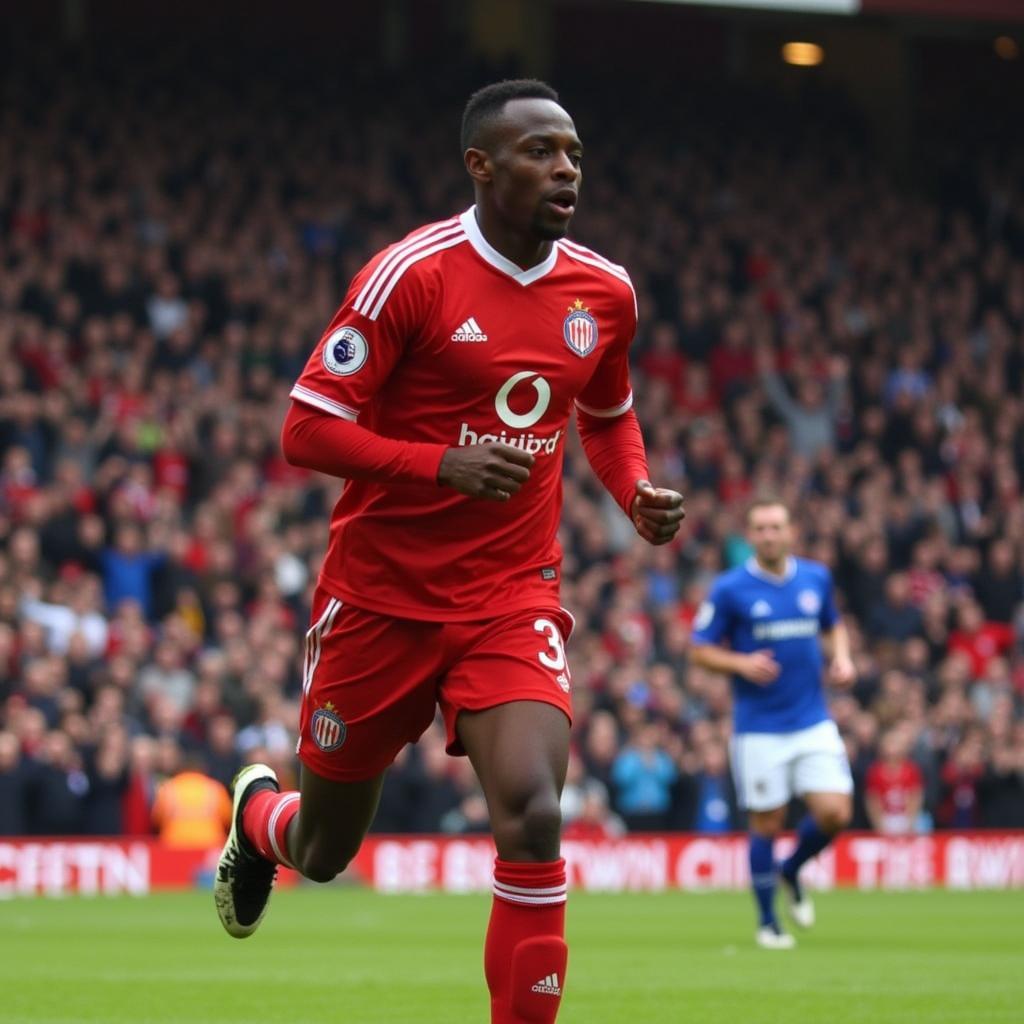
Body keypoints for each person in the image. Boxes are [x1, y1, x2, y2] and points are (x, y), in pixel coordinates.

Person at [212, 79, 684, 1024]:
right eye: (542, 152)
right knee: (325, 851)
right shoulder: (411, 275)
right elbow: (306, 428)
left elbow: (607, 413)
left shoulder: (605, 291)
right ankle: (259, 822)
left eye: (575, 155)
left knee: (536, 815)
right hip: (380, 599)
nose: (565, 170)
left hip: (510, 595)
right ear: (481, 166)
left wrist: (632, 490)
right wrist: (439, 466)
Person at [689, 498, 854, 949]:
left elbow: (833, 625)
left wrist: (841, 657)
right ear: (749, 535)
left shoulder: (816, 578)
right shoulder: (729, 588)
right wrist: (740, 663)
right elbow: (699, 648)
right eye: (759, 528)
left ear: (790, 531)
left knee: (835, 812)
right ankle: (768, 923)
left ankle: (792, 868)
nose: (768, 535)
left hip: (812, 719)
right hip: (759, 727)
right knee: (767, 823)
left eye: (775, 527)